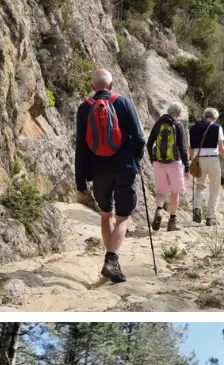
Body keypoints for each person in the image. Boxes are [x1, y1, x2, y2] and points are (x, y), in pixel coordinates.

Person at [75, 68, 146, 283]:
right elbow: (139, 137)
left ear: (92, 86)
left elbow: (81, 146)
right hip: (124, 168)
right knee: (123, 216)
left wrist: (80, 179)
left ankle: (110, 261)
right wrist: (136, 159)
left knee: (107, 214)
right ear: (111, 85)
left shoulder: (84, 108)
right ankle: (111, 259)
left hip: (98, 171)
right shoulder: (123, 103)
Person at [147, 102, 190, 232]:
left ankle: (159, 210)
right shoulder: (178, 125)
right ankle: (172, 222)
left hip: (158, 162)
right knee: (174, 192)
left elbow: (149, 143)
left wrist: (152, 158)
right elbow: (182, 148)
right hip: (174, 162)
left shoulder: (159, 123)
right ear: (178, 114)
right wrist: (187, 166)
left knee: (160, 191)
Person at [187, 107, 224, 226]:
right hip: (213, 159)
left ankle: (196, 208)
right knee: (214, 188)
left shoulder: (194, 127)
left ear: (205, 116)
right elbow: (221, 148)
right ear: (214, 118)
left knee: (199, 185)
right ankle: (210, 217)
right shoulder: (217, 127)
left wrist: (191, 159)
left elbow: (191, 148)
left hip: (199, 159)